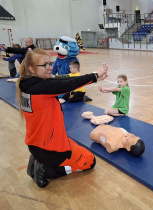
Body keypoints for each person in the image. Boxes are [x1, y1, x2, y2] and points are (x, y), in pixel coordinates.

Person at [16, 48, 108, 188]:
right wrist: (95, 76)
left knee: (77, 148)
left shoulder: (27, 84)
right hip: (51, 149)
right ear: (32, 69)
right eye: (44, 65)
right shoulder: (41, 88)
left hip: (37, 143)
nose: (49, 68)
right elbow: (68, 84)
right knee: (89, 160)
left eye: (50, 63)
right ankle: (47, 170)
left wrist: (94, 77)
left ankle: (39, 160)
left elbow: (61, 79)